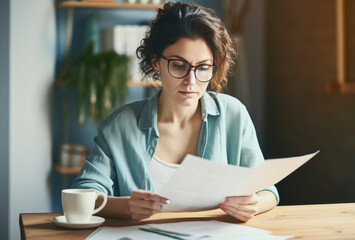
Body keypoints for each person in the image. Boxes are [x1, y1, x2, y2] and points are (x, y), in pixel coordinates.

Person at [72, 1, 278, 222]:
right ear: (156, 63)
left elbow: (268, 191)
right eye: (179, 65)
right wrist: (125, 206)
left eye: (203, 68)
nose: (191, 81)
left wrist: (253, 204)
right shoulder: (119, 126)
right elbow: (84, 193)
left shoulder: (233, 115)